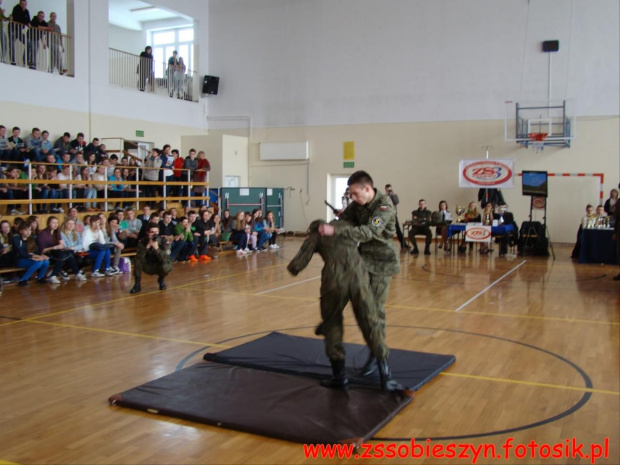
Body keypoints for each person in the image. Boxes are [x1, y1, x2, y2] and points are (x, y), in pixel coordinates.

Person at [288, 219, 404, 392]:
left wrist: (297, 261)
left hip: (334, 279)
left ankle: (339, 377)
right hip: (360, 275)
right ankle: (386, 377)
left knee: (333, 324)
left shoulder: (316, 234)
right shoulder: (346, 227)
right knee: (370, 321)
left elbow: (297, 264)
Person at [318, 170, 400, 379]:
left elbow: (367, 232)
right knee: (341, 288)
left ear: (367, 188)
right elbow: (345, 221)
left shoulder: (384, 206)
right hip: (362, 259)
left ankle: (376, 353)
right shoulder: (357, 204)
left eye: (355, 194)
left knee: (373, 310)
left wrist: (335, 231)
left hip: (381, 263)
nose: (353, 198)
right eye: (350, 195)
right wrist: (335, 222)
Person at [130, 223, 172, 293]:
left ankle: (161, 280)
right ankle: (137, 284)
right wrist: (147, 246)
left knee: (166, 265)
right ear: (147, 233)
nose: (154, 234)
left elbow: (165, 258)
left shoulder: (163, 241)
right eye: (152, 232)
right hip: (148, 265)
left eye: (156, 232)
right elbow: (139, 256)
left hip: (159, 265)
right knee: (137, 260)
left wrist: (157, 248)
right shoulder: (143, 241)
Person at [12, 220, 50, 286]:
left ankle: (40, 278)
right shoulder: (16, 238)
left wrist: (42, 255)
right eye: (26, 230)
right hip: (19, 259)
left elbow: (35, 250)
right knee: (38, 262)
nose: (28, 232)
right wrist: (34, 257)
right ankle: (23, 280)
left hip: (29, 258)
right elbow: (20, 252)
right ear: (21, 231)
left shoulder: (31, 238)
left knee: (46, 261)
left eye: (29, 230)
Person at [385, 184, 408, 251]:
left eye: (390, 189)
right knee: (387, 231)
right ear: (385, 189)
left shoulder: (394, 195)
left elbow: (396, 202)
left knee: (398, 231)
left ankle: (404, 244)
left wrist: (393, 195)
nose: (389, 191)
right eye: (388, 189)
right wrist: (387, 195)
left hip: (394, 216)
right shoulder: (384, 196)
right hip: (386, 216)